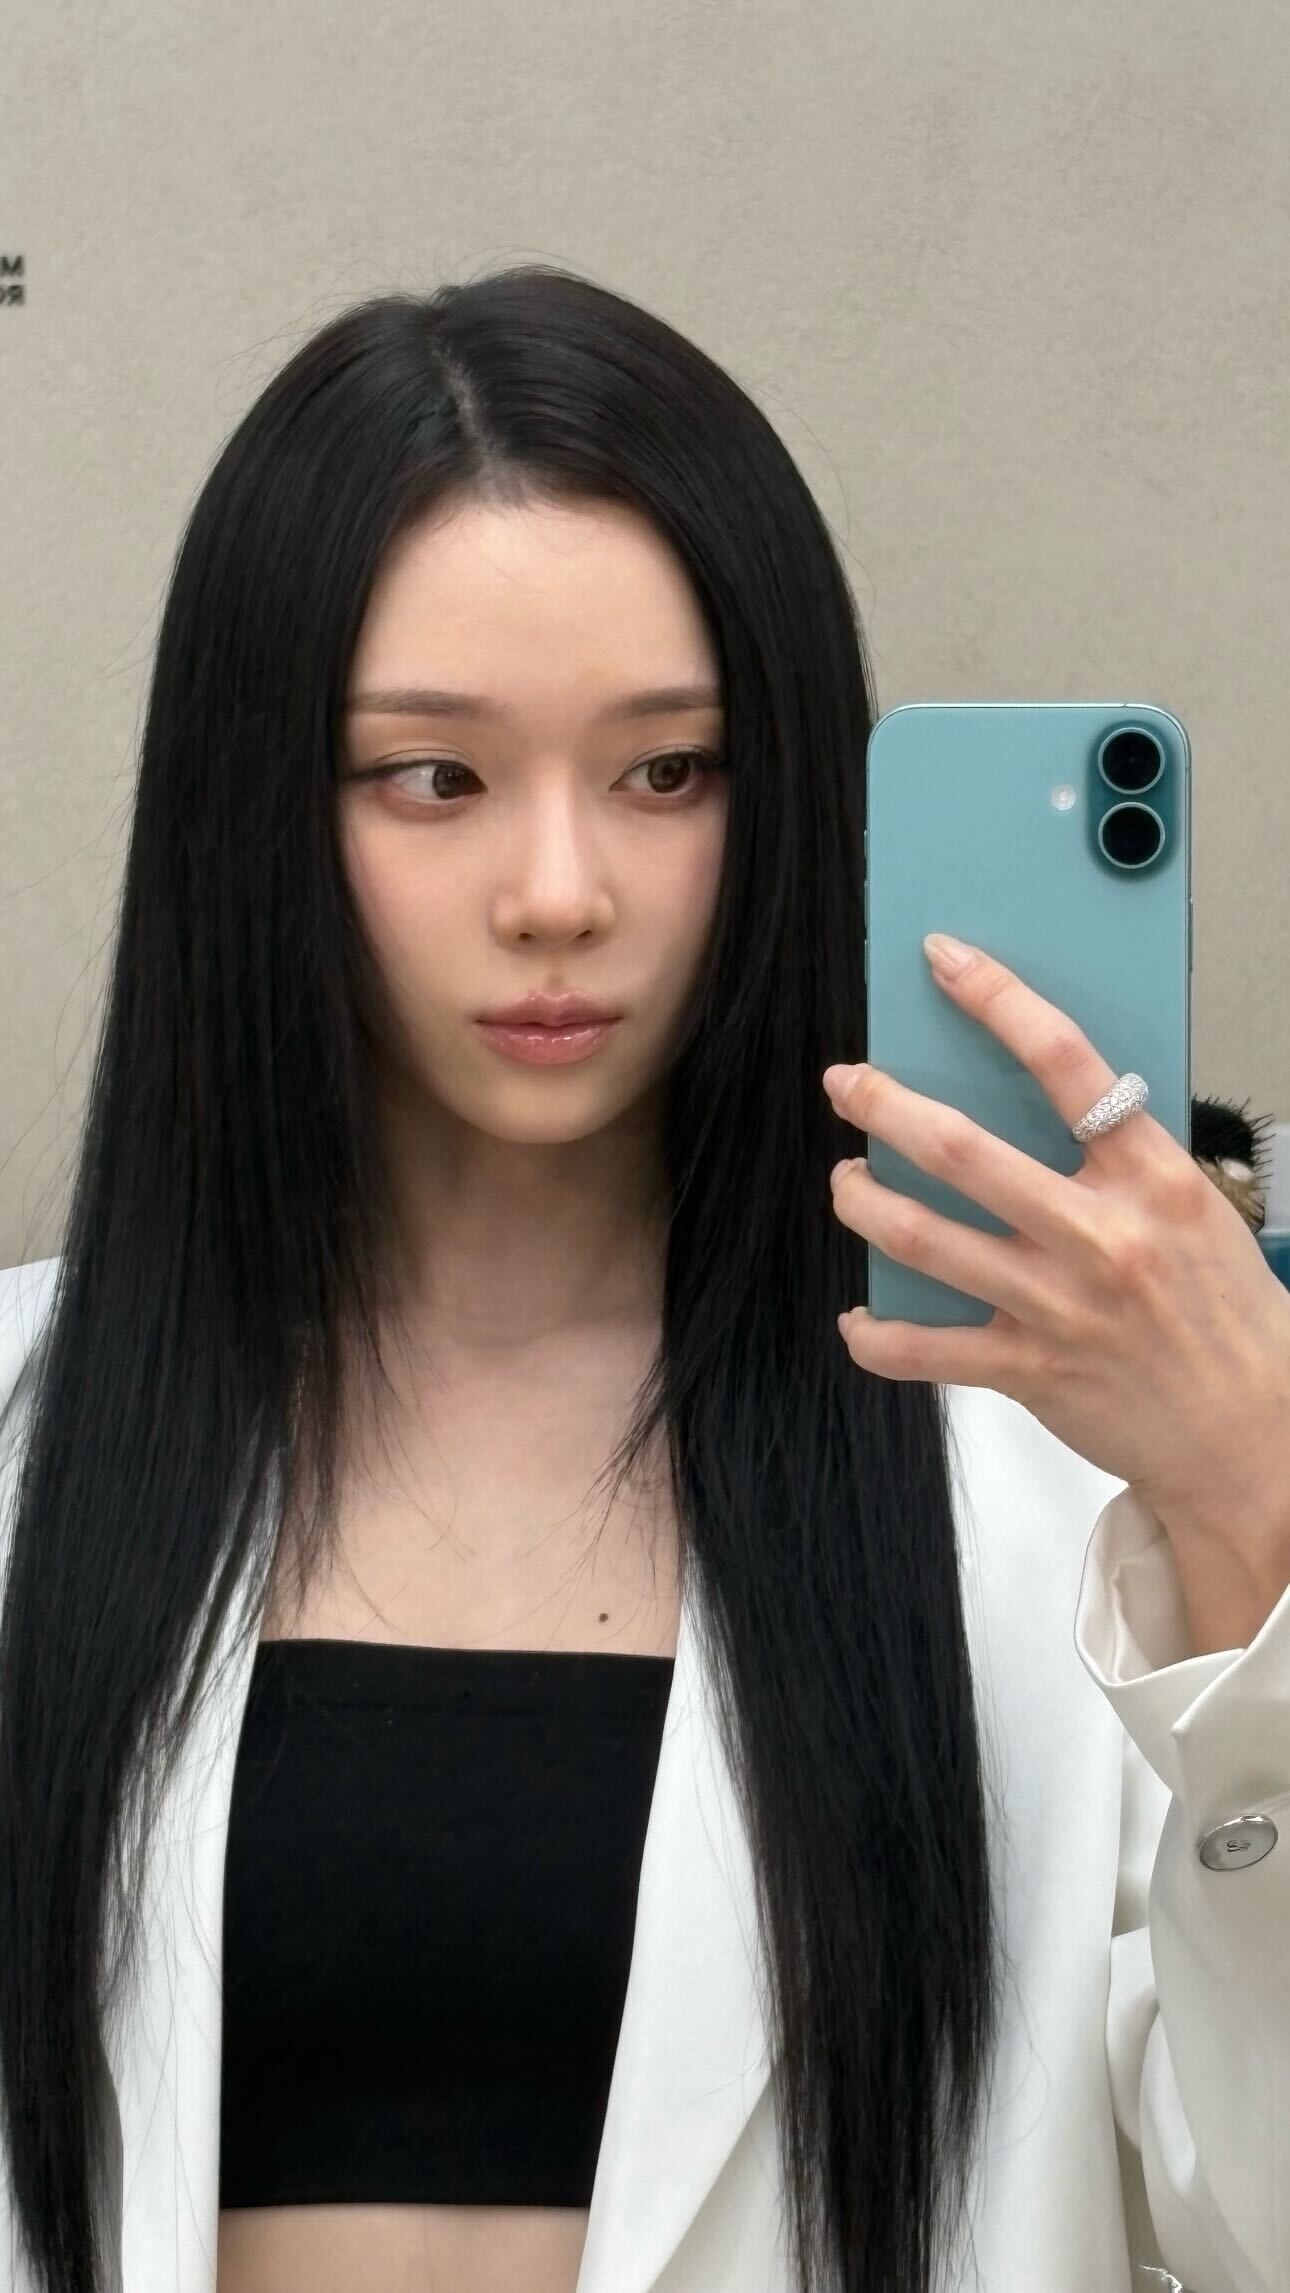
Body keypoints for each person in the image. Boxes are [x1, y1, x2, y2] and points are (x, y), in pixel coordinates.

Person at [1, 267, 1287, 2293]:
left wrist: (1252, 1512)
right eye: (434, 776)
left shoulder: (1046, 1487)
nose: (559, 893)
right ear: (258, 810)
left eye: (667, 770)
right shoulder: (27, 1440)